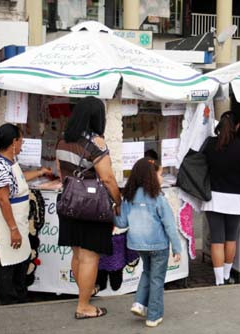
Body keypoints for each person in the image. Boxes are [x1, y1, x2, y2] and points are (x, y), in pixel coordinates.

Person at [55, 96, 122, 319]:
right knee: (89, 257)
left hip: (69, 204)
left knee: (77, 255)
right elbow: (109, 179)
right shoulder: (96, 143)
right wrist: (117, 202)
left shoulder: (62, 140)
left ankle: (84, 292)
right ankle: (84, 306)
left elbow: (61, 172)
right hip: (91, 208)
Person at [0, 123, 52, 304]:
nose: (22, 144)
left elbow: (19, 178)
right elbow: (3, 199)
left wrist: (40, 172)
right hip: (7, 219)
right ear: (14, 142)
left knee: (21, 258)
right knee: (9, 260)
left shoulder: (9, 162)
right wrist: (13, 228)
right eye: (21, 140)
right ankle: (9, 299)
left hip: (17, 218)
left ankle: (19, 294)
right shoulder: (0, 166)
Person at [115, 158, 182, 328]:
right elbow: (170, 225)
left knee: (147, 272)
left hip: (138, 245)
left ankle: (139, 304)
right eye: (159, 174)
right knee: (157, 279)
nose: (161, 178)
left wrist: (112, 211)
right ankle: (154, 315)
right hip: (159, 245)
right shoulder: (158, 198)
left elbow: (122, 223)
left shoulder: (128, 198)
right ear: (151, 177)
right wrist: (177, 247)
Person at [201, 111, 240, 285]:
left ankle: (219, 281)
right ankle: (226, 275)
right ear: (237, 126)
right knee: (230, 238)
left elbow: (200, 166)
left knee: (217, 240)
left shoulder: (210, 144)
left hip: (213, 198)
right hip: (235, 199)